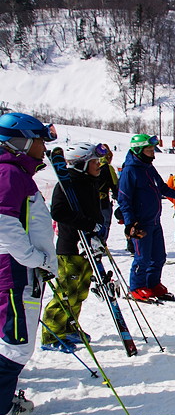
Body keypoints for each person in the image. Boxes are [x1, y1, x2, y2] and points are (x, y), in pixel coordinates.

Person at [0, 112, 57, 415]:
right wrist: (34, 258)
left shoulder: (17, 172)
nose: (44, 147)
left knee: (12, 336)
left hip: (20, 269)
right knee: (17, 343)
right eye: (39, 140)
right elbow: (4, 222)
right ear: (21, 141)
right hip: (15, 272)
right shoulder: (9, 173)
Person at [41, 143, 107, 353]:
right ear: (82, 164)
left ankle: (69, 326)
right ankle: (52, 334)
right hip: (70, 247)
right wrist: (87, 224)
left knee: (80, 293)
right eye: (95, 162)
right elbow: (58, 212)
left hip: (87, 246)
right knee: (66, 293)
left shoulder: (90, 182)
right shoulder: (67, 185)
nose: (99, 165)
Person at [117, 134, 175, 301]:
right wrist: (130, 222)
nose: (153, 153)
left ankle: (152, 284)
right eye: (149, 150)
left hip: (154, 221)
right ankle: (137, 287)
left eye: (153, 149)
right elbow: (124, 198)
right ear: (138, 151)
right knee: (142, 258)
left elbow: (162, 187)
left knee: (159, 257)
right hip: (140, 223)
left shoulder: (148, 167)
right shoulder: (129, 170)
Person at [97, 145, 118, 244]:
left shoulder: (92, 165)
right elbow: (114, 184)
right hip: (104, 201)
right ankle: (101, 242)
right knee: (105, 223)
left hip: (91, 201)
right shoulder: (108, 168)